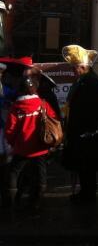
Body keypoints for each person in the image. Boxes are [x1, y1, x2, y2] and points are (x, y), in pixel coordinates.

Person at [61, 44, 98, 204]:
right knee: (82, 165)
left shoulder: (93, 82)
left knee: (87, 166)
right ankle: (85, 192)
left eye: (75, 68)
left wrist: (89, 129)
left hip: (88, 133)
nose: (73, 72)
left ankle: (88, 194)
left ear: (83, 67)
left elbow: (95, 109)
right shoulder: (83, 81)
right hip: (80, 131)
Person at [5, 77, 57, 211]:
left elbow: (10, 130)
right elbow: (53, 120)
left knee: (14, 172)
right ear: (35, 89)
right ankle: (36, 202)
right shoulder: (43, 104)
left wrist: (13, 144)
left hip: (22, 148)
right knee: (40, 173)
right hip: (40, 147)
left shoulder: (15, 107)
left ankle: (12, 200)